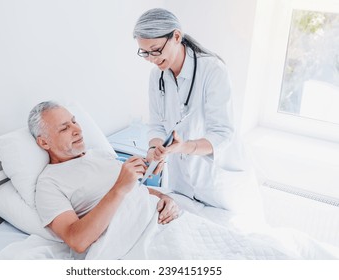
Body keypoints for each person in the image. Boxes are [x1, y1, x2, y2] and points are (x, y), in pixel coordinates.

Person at [133, 8, 255, 210]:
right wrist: (155, 151)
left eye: (155, 50)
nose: (152, 59)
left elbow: (223, 133)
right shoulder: (157, 77)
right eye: (145, 53)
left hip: (217, 183)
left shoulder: (213, 70)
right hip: (181, 185)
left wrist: (183, 147)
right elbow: (156, 125)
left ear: (177, 36)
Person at [27, 101, 179, 254]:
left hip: (163, 221)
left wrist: (163, 198)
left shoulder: (100, 154)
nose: (77, 130)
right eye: (64, 128)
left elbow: (136, 190)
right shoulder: (49, 183)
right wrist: (119, 187)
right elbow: (77, 241)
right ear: (44, 142)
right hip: (136, 239)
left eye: (74, 121)